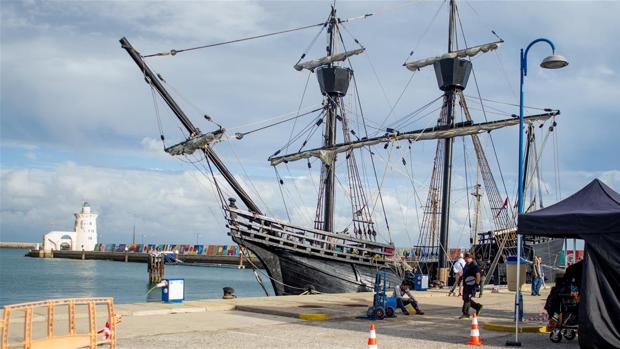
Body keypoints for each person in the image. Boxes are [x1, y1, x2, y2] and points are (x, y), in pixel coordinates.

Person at [460, 252, 483, 319]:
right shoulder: (467, 265)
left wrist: (477, 285)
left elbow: (478, 275)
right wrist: (461, 278)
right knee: (464, 298)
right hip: (466, 284)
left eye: (465, 258)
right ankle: (477, 306)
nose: (464, 259)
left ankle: (465, 313)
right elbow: (464, 273)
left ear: (469, 258)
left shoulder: (474, 265)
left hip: (472, 285)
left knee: (467, 299)